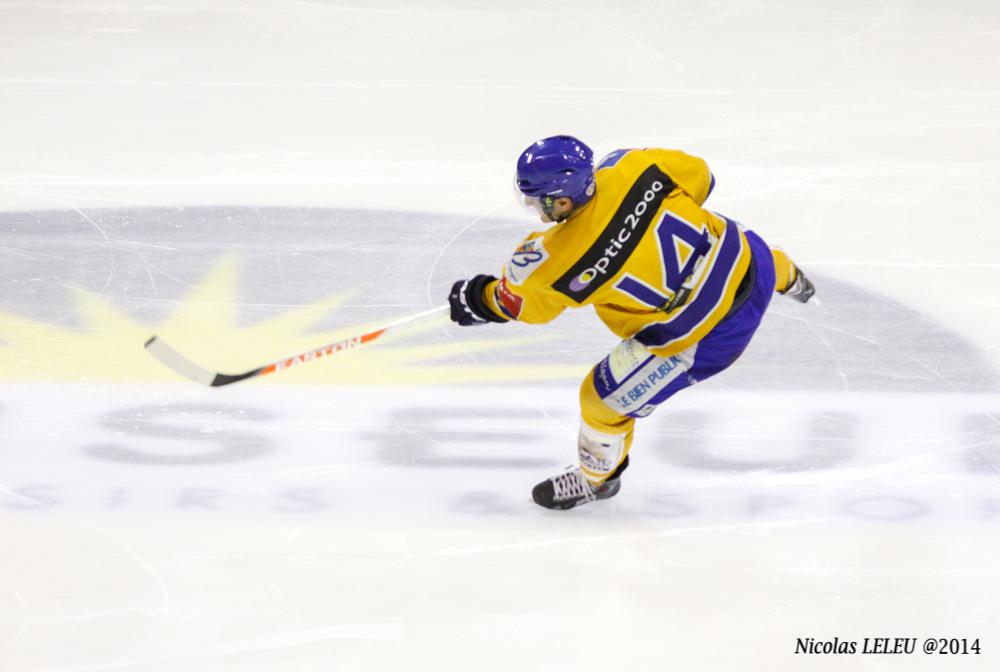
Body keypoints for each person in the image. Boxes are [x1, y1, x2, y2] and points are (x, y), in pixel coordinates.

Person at [448, 136, 814, 510]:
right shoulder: (629, 165)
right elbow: (702, 178)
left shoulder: (548, 259)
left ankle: (598, 480)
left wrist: (479, 298)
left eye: (536, 198)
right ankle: (790, 277)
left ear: (562, 200)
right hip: (755, 263)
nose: (532, 206)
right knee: (739, 251)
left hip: (709, 336)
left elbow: (525, 308)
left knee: (600, 399)